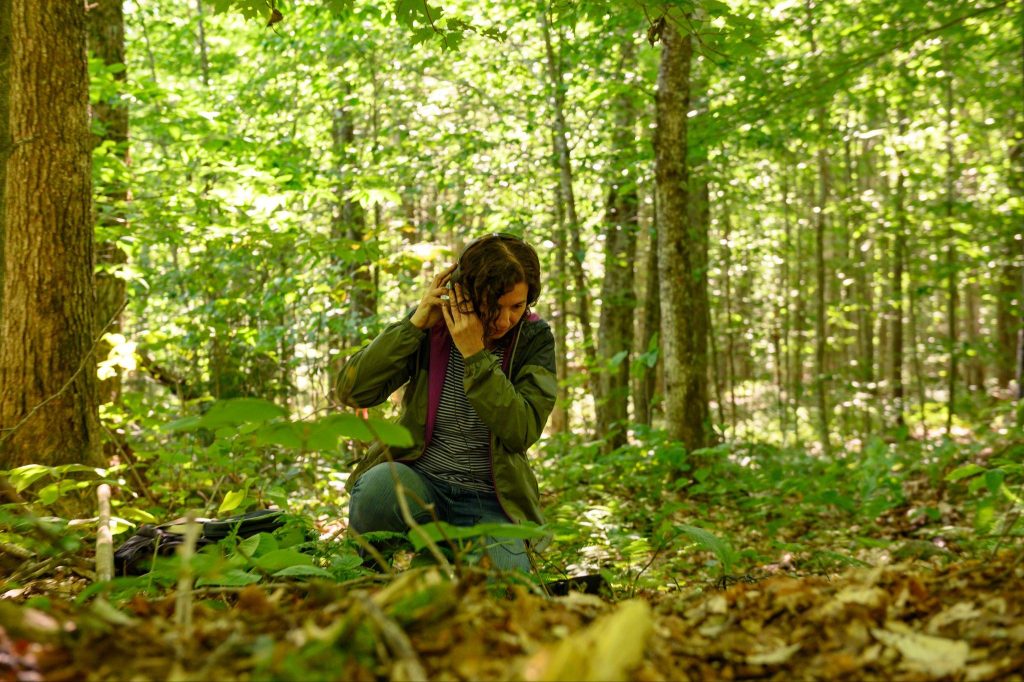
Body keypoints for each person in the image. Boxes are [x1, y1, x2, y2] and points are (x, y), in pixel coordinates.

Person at [336, 233, 557, 572]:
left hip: (491, 503)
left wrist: (476, 355)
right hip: (422, 484)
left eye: (516, 307)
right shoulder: (432, 325)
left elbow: (521, 431)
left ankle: (439, 561)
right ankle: (364, 583)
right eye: (492, 306)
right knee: (376, 489)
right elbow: (354, 392)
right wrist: (413, 326)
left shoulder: (533, 338)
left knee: (506, 592)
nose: (503, 320)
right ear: (463, 294)